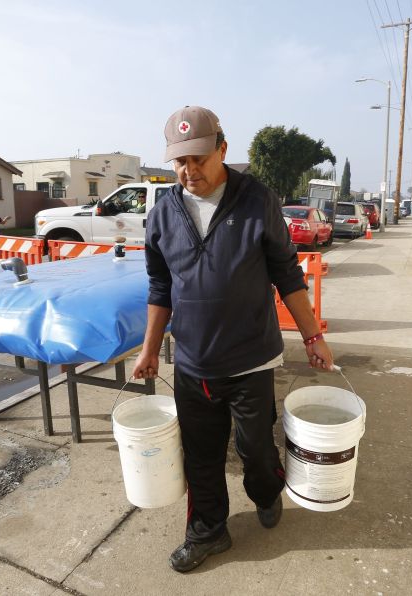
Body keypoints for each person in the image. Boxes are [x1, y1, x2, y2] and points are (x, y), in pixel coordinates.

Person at [132, 106, 334, 573]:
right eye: (180, 161)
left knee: (255, 450)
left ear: (222, 149)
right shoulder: (162, 215)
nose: (190, 170)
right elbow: (160, 287)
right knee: (201, 456)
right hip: (194, 364)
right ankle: (208, 531)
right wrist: (149, 350)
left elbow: (286, 273)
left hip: (250, 360)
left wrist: (312, 336)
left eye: (199, 158)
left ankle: (267, 492)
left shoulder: (257, 201)